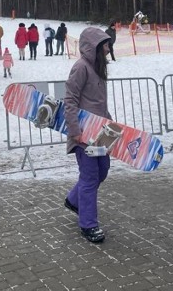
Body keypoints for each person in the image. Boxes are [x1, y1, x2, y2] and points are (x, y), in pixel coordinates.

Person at [64, 27, 112, 244]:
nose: (109, 49)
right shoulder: (81, 67)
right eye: (105, 45)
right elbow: (70, 100)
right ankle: (88, 224)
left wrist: (111, 126)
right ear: (94, 46)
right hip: (83, 134)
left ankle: (74, 200)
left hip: (100, 132)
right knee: (90, 176)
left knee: (102, 171)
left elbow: (99, 104)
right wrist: (74, 130)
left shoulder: (98, 69)